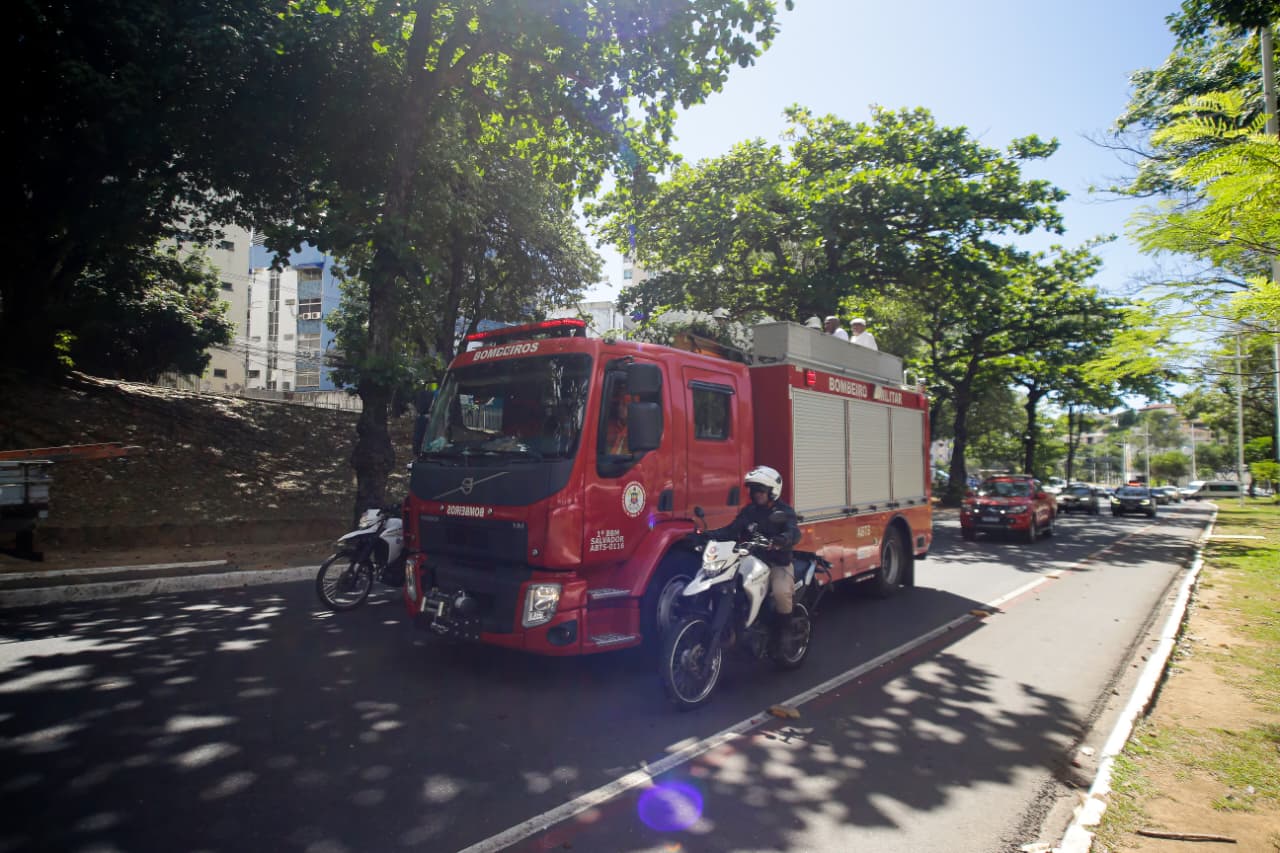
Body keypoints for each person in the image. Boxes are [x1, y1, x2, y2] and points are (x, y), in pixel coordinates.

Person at [702, 465, 802, 637]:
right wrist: (707, 536)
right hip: (752, 561)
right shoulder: (749, 511)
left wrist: (783, 539)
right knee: (729, 583)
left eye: (761, 490)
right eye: (754, 490)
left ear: (772, 491)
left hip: (778, 563)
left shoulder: (784, 511)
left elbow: (794, 531)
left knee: (780, 592)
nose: (757, 494)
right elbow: (731, 530)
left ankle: (784, 634)